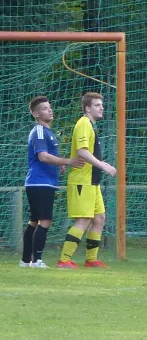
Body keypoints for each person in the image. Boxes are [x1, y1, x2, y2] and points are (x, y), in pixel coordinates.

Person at [20, 96, 84, 268]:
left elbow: (48, 157)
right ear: (35, 114)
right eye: (44, 108)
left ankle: (25, 261)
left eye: (49, 107)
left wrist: (60, 163)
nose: (49, 110)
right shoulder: (39, 130)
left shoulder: (48, 132)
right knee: (45, 220)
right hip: (40, 182)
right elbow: (43, 156)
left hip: (42, 182)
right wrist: (68, 161)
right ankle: (37, 260)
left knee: (34, 220)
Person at [57, 92, 117, 268]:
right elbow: (82, 152)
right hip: (82, 181)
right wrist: (103, 166)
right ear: (87, 108)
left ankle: (91, 260)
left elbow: (88, 152)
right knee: (83, 220)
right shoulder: (83, 123)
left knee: (99, 218)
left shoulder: (90, 125)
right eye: (97, 105)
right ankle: (64, 260)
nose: (102, 108)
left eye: (101, 105)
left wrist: (100, 164)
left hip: (92, 181)